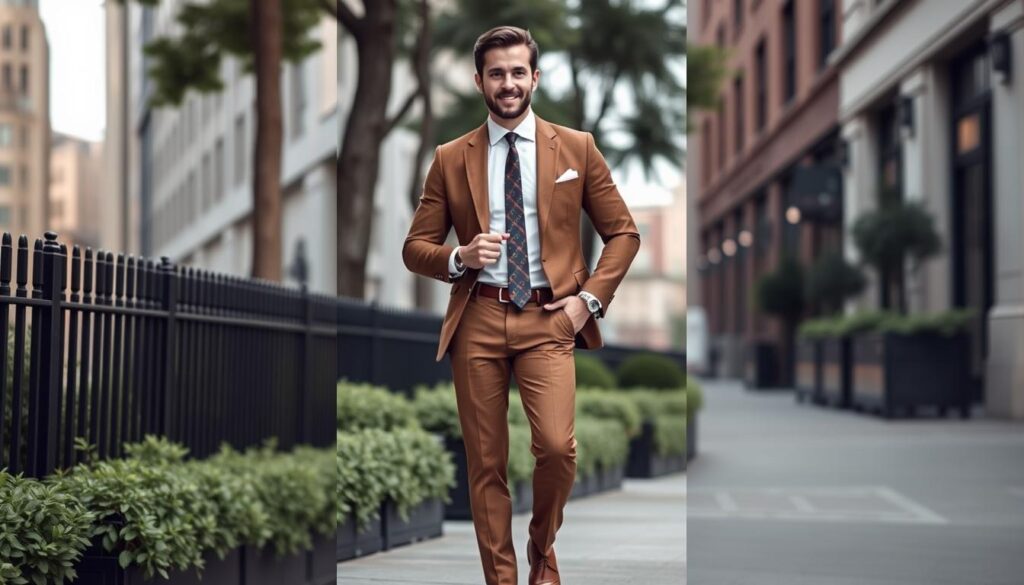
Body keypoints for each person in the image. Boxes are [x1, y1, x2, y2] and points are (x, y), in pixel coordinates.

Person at [403, 25, 640, 585]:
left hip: (549, 318)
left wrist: (588, 303)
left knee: (557, 450)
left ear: (534, 76)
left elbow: (624, 234)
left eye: (517, 72)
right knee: (486, 465)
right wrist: (460, 256)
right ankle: (503, 580)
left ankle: (541, 551)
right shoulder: (449, 157)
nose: (507, 84)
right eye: (496, 73)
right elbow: (415, 249)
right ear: (479, 80)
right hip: (478, 318)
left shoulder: (575, 147)